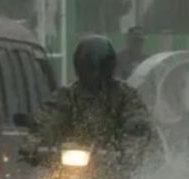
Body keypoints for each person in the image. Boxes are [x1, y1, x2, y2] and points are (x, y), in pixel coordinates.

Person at [28, 35, 151, 168]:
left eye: (99, 68)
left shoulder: (125, 95)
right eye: (89, 68)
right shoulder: (67, 95)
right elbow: (48, 120)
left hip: (113, 167)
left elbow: (137, 124)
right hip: (65, 166)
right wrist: (33, 145)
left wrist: (130, 151)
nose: (94, 74)